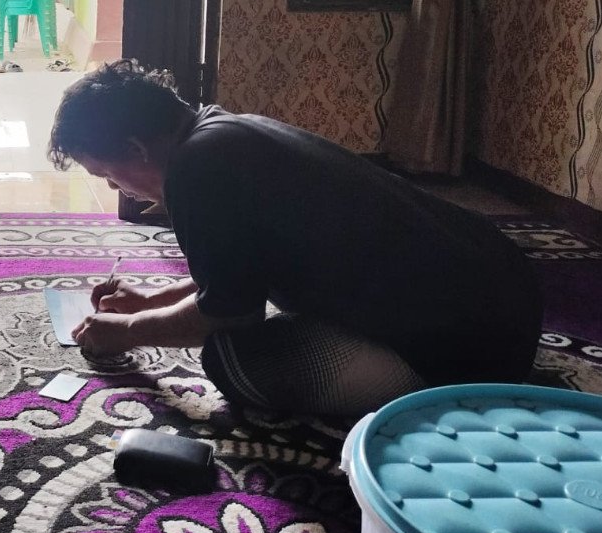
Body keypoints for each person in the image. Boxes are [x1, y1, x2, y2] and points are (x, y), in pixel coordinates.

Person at [48, 59, 542, 417]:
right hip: (508, 299)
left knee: (232, 359)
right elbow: (241, 267)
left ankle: (436, 391)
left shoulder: (196, 172)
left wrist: (128, 331)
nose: (116, 189)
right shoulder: (223, 131)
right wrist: (151, 301)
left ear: (136, 148)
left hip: (471, 355)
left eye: (107, 173)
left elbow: (229, 313)